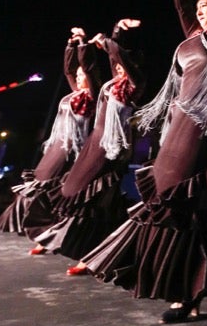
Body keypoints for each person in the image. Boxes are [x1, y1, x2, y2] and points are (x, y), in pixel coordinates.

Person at [78, 0, 207, 323]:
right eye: (200, 9)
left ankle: (187, 293)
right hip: (177, 124)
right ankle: (186, 288)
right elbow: (181, 5)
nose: (202, 13)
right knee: (175, 204)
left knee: (184, 201)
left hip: (205, 130)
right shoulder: (192, 37)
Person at [33, 19, 145, 262]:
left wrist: (106, 42)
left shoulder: (135, 84)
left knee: (95, 198)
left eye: (121, 63)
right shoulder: (109, 86)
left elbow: (112, 60)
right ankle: (83, 245)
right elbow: (72, 70)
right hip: (94, 143)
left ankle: (93, 254)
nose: (116, 67)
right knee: (78, 194)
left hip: (113, 150)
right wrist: (76, 44)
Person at [0, 27, 101, 241]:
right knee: (39, 180)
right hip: (55, 144)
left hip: (70, 147)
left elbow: (89, 69)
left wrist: (84, 45)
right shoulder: (74, 93)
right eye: (78, 76)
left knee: (50, 183)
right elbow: (68, 71)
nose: (79, 78)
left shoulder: (92, 95)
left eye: (83, 76)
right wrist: (71, 45)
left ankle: (48, 229)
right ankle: (29, 224)